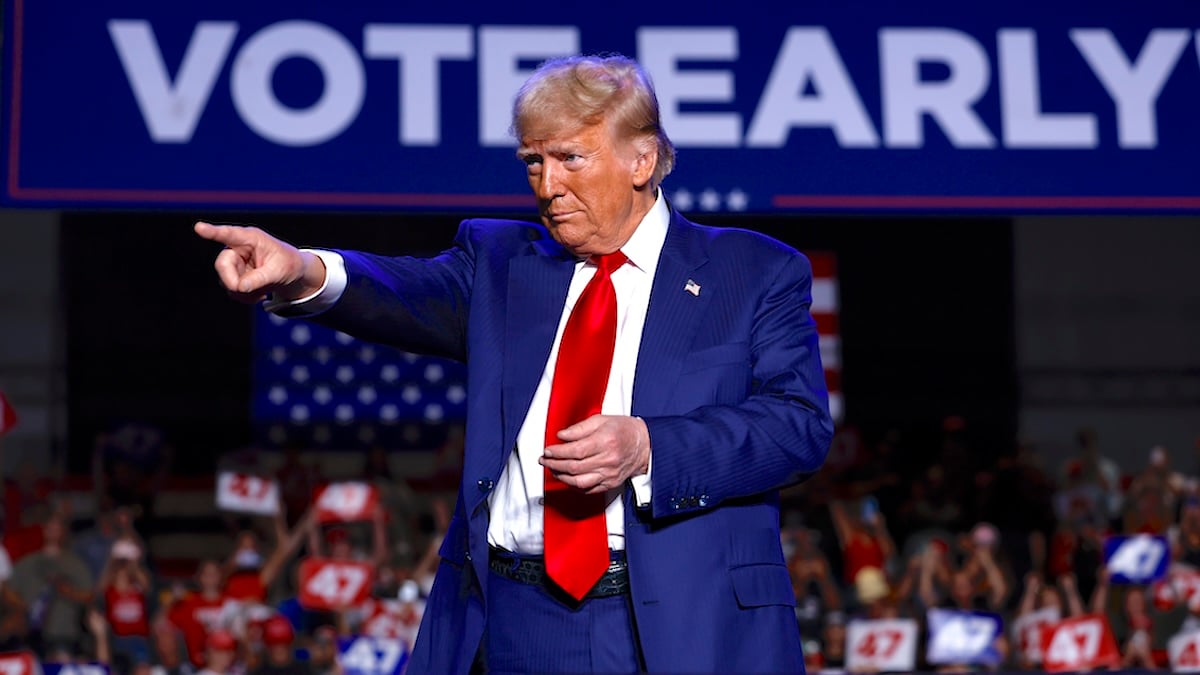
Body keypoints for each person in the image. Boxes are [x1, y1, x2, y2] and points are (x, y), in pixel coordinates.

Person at [196, 53, 832, 673]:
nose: (547, 187)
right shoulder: (502, 264)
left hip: (677, 620)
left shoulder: (752, 272)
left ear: (642, 159)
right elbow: (401, 291)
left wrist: (649, 447)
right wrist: (302, 269)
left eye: (570, 159)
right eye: (534, 161)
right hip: (509, 617)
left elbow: (797, 427)